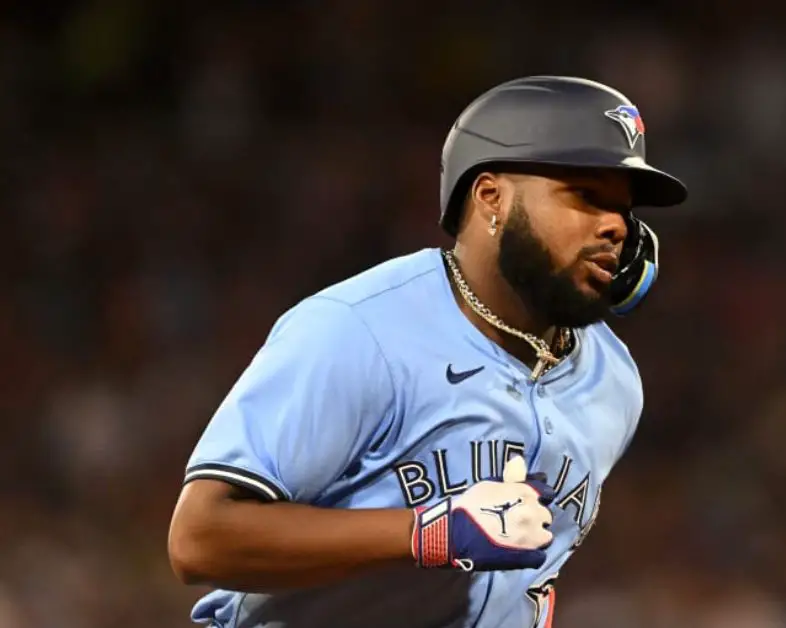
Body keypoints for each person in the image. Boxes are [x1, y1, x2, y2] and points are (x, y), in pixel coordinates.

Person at [167, 75, 688, 628]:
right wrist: (425, 532)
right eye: (585, 196)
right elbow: (200, 539)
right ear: (491, 197)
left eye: (624, 210)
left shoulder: (614, 382)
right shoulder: (359, 330)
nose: (616, 226)